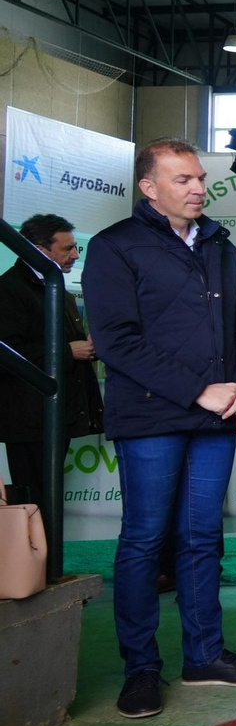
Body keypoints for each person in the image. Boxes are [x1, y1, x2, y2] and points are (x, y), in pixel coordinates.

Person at [83, 138, 236, 720]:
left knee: (201, 536)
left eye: (200, 178)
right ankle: (140, 669)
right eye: (182, 179)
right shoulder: (114, 246)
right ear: (149, 188)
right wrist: (198, 389)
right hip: (151, 417)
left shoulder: (219, 244)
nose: (198, 188)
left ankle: (204, 655)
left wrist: (234, 383)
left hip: (214, 415)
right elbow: (116, 340)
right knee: (144, 539)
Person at [0, 214, 102, 507]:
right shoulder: (9, 289)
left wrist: (90, 346)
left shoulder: (57, 289)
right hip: (29, 418)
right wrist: (68, 352)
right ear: (39, 250)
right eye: (67, 248)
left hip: (56, 414)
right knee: (35, 500)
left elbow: (69, 344)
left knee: (49, 497)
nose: (75, 255)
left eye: (75, 248)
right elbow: (7, 355)